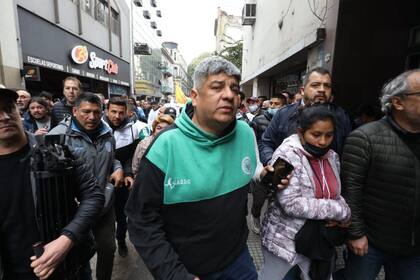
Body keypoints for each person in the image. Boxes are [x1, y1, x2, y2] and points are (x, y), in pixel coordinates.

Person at [126, 56, 279, 280]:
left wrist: (268, 178)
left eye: (234, 89)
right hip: (186, 269)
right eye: (217, 87)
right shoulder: (166, 146)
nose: (228, 94)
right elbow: (141, 220)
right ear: (195, 97)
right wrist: (175, 275)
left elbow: (250, 173)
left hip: (239, 261)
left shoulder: (246, 133)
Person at [0, 88, 104, 279]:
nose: (5, 117)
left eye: (9, 108)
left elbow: (93, 195)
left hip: (69, 268)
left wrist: (67, 239)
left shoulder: (56, 150)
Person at [340, 69, 420, 280]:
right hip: (370, 244)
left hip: (413, 247)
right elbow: (351, 190)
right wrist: (356, 233)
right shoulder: (365, 138)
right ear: (398, 102)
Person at [259, 104, 351, 280]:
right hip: (284, 243)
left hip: (319, 242)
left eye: (329, 135)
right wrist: (340, 211)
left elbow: (336, 193)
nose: (323, 141)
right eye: (316, 135)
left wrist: (342, 209)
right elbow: (291, 204)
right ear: (301, 133)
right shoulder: (285, 154)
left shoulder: (332, 157)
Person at [49, 92, 124, 280]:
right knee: (78, 255)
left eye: (97, 112)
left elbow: (111, 158)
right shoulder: (57, 136)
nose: (92, 117)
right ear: (75, 111)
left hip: (104, 204)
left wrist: (118, 167)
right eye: (86, 111)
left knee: (107, 249)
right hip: (74, 211)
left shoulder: (107, 134)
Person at [259, 67, 352, 166]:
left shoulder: (341, 116)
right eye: (315, 85)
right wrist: (273, 164)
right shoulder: (283, 114)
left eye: (327, 86)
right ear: (302, 90)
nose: (322, 90)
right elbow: (265, 143)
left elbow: (348, 154)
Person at [104, 97, 148, 258]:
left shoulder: (133, 130)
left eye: (121, 113)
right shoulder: (98, 127)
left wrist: (128, 173)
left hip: (123, 183)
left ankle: (121, 240)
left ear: (127, 113)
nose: (117, 116)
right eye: (113, 112)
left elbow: (132, 156)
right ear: (107, 111)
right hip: (101, 181)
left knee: (122, 216)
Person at [248, 94, 285, 234]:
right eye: (271, 104)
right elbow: (255, 144)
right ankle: (255, 215)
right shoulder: (258, 120)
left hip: (280, 166)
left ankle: (270, 223)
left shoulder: (287, 121)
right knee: (259, 197)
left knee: (275, 197)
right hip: (263, 165)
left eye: (277, 104)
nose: (273, 107)